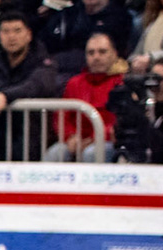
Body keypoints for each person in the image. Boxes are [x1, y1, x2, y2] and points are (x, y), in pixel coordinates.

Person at [0, 8, 61, 159]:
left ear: (28, 34)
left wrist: (4, 97)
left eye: (17, 31)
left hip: (31, 140)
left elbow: (36, 86)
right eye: (6, 31)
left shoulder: (44, 63)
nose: (11, 37)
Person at [45, 30, 122, 162]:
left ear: (114, 54)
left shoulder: (122, 83)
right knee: (55, 153)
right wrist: (71, 137)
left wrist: (95, 138)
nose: (96, 57)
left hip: (109, 141)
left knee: (91, 153)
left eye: (102, 52)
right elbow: (61, 116)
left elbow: (121, 120)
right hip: (77, 140)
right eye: (91, 53)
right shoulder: (74, 83)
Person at [41, 0, 133, 74]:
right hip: (56, 66)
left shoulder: (120, 18)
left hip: (94, 70)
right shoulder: (67, 15)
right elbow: (46, 39)